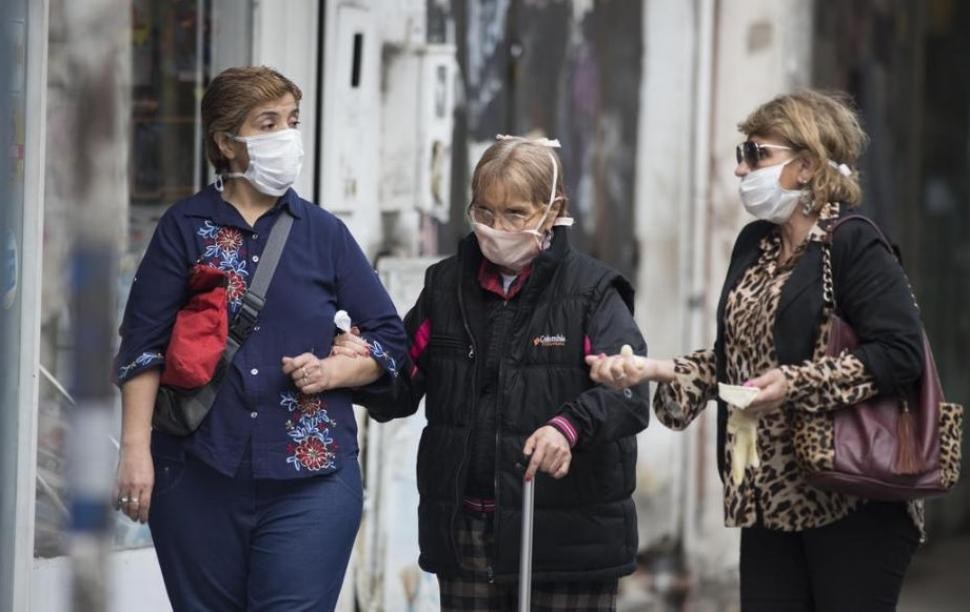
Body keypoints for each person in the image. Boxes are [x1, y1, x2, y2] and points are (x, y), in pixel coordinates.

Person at [588, 90, 924, 612]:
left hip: (852, 493)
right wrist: (653, 370)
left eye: (757, 154)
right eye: (742, 155)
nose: (742, 170)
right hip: (769, 496)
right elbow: (735, 362)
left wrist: (795, 384)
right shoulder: (755, 244)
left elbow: (902, 354)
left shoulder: (854, 244)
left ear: (807, 165)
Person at [113, 66, 406, 610]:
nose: (286, 137)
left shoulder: (325, 234)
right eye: (267, 123)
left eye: (292, 121)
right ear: (227, 142)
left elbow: (392, 340)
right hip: (197, 473)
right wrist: (135, 452)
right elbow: (142, 347)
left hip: (313, 477)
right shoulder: (184, 228)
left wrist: (336, 369)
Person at [337, 135, 650, 611]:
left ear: (553, 209)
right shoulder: (445, 287)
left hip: (568, 541)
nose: (496, 228)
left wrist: (567, 428)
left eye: (515, 214)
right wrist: (361, 365)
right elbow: (402, 384)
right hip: (466, 534)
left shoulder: (592, 292)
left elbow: (627, 394)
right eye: (484, 212)